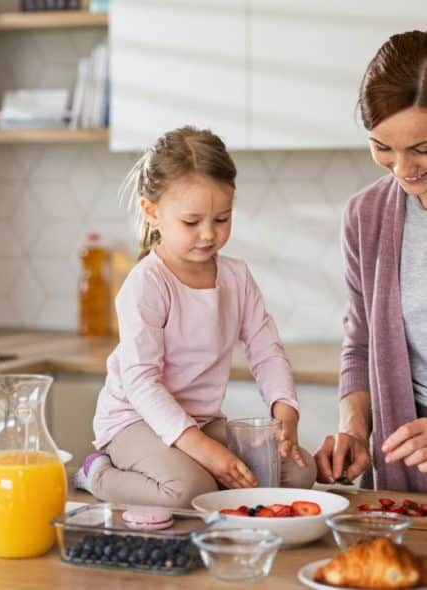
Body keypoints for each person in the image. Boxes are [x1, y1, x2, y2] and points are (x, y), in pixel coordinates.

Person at [74, 126, 317, 508]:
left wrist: (284, 413)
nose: (209, 235)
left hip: (201, 422)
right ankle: (98, 473)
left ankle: (206, 477)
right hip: (134, 422)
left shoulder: (236, 277)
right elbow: (142, 384)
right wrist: (203, 450)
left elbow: (266, 351)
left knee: (299, 474)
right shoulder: (147, 284)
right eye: (192, 222)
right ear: (152, 212)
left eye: (221, 219)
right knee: (189, 491)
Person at [314, 31, 427, 492]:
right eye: (382, 146)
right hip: (404, 472)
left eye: (422, 148)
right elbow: (360, 344)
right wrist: (354, 430)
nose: (403, 169)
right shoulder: (367, 216)